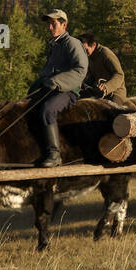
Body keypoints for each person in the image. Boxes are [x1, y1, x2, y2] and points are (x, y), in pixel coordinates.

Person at [28, 9, 88, 167]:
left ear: (64, 24)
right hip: (52, 90)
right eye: (48, 24)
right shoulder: (54, 45)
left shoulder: (72, 43)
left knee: (48, 109)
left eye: (53, 24)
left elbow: (81, 70)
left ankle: (54, 155)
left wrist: (56, 81)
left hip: (68, 92)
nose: (49, 27)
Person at [80, 32, 127, 102]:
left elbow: (119, 74)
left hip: (115, 93)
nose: (84, 53)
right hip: (98, 92)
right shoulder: (89, 56)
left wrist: (107, 87)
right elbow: (92, 76)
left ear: (94, 45)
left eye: (86, 50)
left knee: (111, 110)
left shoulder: (106, 54)